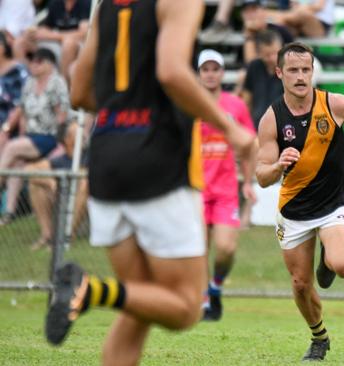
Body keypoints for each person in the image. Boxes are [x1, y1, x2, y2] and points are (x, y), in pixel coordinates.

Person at [44, 2, 255, 366]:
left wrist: (123, 107)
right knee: (187, 306)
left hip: (106, 161)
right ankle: (91, 289)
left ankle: (97, 293)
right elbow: (172, 72)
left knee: (138, 304)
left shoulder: (106, 6)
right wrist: (230, 127)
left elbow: (79, 90)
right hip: (158, 162)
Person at [256, 42, 344, 361]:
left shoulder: (334, 105)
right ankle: (319, 337)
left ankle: (329, 255)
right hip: (294, 211)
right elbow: (262, 176)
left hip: (333, 204)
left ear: (313, 71)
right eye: (293, 70)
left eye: (306, 70)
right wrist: (278, 165)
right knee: (300, 284)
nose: (300, 76)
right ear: (279, 73)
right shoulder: (271, 119)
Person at [196, 49, 257, 321]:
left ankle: (216, 286)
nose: (210, 74)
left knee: (225, 248)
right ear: (198, 73)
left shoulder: (235, 105)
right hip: (194, 188)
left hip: (225, 189)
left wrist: (248, 181)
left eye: (215, 69)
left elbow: (248, 145)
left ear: (222, 73)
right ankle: (204, 301)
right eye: (205, 69)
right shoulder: (188, 104)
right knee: (199, 248)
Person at [0, 47, 69, 226]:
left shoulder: (57, 82)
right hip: (31, 137)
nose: (33, 64)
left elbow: (61, 116)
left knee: (11, 149)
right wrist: (13, 133)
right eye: (32, 60)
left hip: (49, 137)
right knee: (15, 161)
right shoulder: (30, 83)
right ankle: (9, 212)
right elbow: (23, 113)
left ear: (49, 64)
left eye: (38, 61)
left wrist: (60, 142)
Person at [25, 121, 89, 251]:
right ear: (67, 140)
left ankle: (67, 237)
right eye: (78, 133)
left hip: (90, 212)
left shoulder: (90, 155)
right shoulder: (61, 160)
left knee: (84, 184)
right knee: (36, 185)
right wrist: (51, 182)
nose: (83, 136)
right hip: (62, 208)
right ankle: (47, 235)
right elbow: (28, 170)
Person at [241, 29, 286, 130]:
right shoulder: (254, 66)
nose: (272, 58)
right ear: (259, 53)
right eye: (267, 55)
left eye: (275, 53)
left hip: (283, 128)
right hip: (256, 127)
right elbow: (246, 100)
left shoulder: (289, 69)